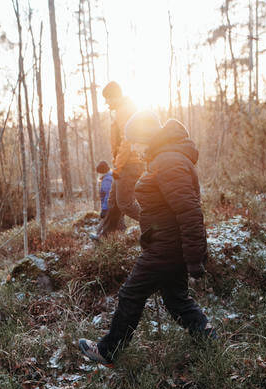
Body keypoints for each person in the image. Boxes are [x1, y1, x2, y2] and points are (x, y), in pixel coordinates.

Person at [78, 111, 214, 366]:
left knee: (131, 294)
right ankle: (209, 341)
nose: (134, 147)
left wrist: (195, 258)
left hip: (166, 246)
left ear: (145, 136)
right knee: (176, 300)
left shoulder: (169, 161)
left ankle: (108, 351)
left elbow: (189, 211)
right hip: (165, 243)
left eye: (135, 141)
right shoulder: (165, 158)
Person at [102, 81, 142, 222]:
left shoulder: (124, 111)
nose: (106, 102)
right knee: (113, 202)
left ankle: (157, 225)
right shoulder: (121, 110)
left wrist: (118, 166)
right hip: (123, 163)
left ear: (115, 97)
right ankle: (107, 235)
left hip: (129, 163)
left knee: (124, 203)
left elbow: (127, 140)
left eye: (107, 98)